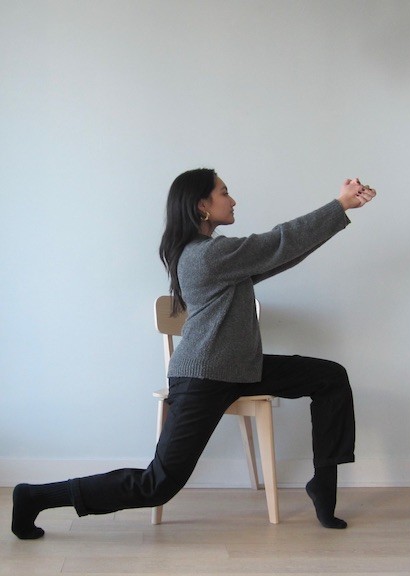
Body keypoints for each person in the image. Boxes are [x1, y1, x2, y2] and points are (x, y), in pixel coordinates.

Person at [10, 168, 377, 540]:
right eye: (224, 192)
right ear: (202, 205)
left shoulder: (216, 255)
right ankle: (34, 497)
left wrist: (338, 215)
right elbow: (277, 243)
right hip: (203, 376)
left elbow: (280, 254)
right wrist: (338, 205)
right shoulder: (206, 255)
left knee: (330, 377)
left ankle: (323, 484)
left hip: (238, 368)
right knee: (157, 484)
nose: (232, 200)